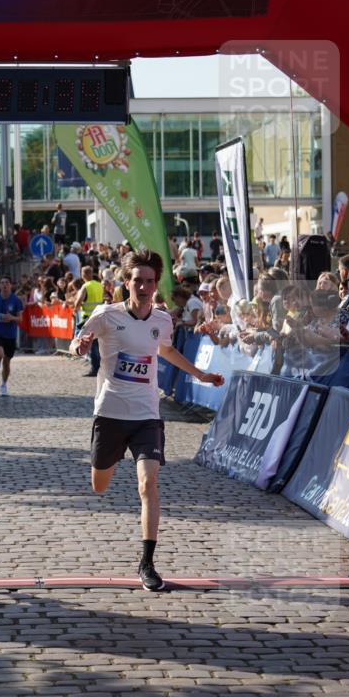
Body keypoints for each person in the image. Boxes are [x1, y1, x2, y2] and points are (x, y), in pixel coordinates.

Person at [69, 249, 224, 592]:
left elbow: (165, 350)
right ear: (126, 283)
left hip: (146, 416)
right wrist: (79, 346)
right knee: (100, 485)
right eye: (137, 280)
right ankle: (102, 463)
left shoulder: (162, 320)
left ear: (155, 285)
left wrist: (200, 374)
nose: (143, 286)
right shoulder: (106, 314)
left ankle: (147, 563)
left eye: (149, 281)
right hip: (110, 413)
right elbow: (78, 341)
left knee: (147, 483)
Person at [74, 265, 105, 377]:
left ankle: (95, 368)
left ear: (84, 274)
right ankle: (100, 367)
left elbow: (78, 302)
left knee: (91, 345)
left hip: (88, 318)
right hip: (99, 317)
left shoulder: (85, 286)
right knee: (98, 344)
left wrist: (76, 307)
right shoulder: (99, 285)